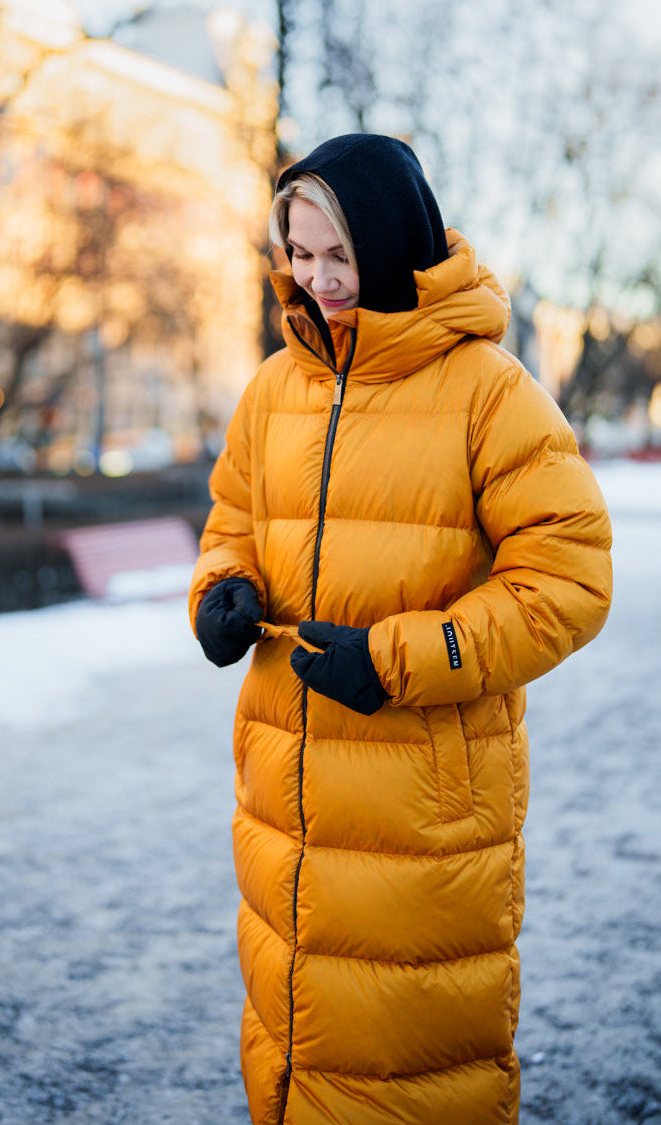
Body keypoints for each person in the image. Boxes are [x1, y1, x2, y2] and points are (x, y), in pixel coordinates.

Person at [188, 134, 612, 1125]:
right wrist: (222, 591)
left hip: (424, 823)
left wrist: (404, 659)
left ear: (393, 246)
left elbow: (570, 576)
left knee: (408, 1075)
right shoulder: (271, 388)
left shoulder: (488, 391)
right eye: (300, 252)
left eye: (342, 256)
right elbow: (231, 525)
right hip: (284, 808)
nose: (319, 279)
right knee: (292, 1051)